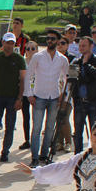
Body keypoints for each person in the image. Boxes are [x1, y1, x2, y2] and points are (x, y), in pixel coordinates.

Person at [25, 29, 69, 166]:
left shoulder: (62, 59)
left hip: (54, 97)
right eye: (48, 38)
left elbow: (66, 77)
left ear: (58, 41)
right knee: (36, 128)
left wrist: (63, 94)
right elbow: (29, 75)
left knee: (50, 127)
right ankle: (34, 157)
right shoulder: (38, 57)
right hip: (39, 96)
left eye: (52, 39)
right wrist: (29, 93)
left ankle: (44, 155)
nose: (49, 41)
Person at [0, 32, 26, 163]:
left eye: (12, 43)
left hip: (12, 97)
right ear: (2, 43)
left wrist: (20, 98)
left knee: (10, 125)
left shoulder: (19, 59)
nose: (9, 45)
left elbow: (23, 79)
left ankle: (5, 151)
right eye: (7, 42)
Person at [71, 35, 96, 152]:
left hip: (93, 101)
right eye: (80, 46)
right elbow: (72, 79)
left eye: (84, 45)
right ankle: (78, 155)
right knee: (78, 131)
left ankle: (95, 153)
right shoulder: (77, 61)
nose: (81, 48)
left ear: (91, 46)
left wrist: (86, 65)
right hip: (80, 102)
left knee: (95, 131)